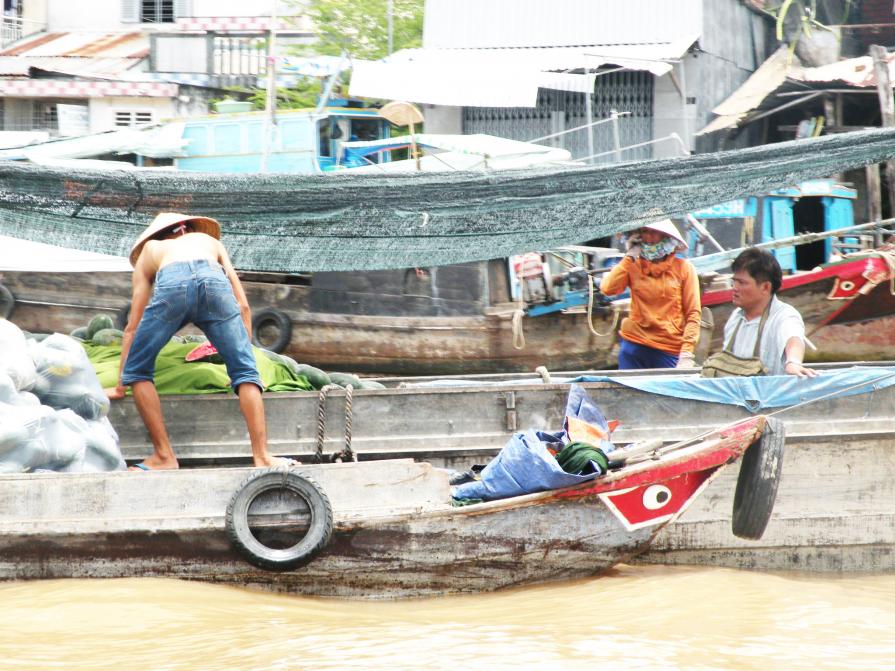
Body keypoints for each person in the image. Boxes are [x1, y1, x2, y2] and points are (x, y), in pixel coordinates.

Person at [111, 212, 286, 470]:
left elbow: (132, 328)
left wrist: (121, 384)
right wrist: (246, 357)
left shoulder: (151, 249)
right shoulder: (210, 241)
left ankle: (164, 456)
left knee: (137, 371)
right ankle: (262, 456)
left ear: (159, 235)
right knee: (246, 373)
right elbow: (243, 305)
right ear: (189, 229)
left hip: (173, 285)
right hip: (214, 283)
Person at [600, 218, 701, 369]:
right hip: (634, 344)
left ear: (666, 236)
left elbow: (693, 314)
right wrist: (629, 256)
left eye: (654, 232)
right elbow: (608, 289)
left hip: (668, 348)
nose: (648, 237)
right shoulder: (632, 264)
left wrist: (687, 352)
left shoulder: (684, 268)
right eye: (644, 232)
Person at [723, 247, 817, 378]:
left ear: (765, 287)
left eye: (742, 283)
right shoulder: (736, 317)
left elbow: (793, 339)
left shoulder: (784, 316)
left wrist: (793, 363)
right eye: (734, 281)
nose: (735, 288)